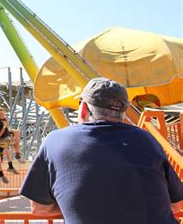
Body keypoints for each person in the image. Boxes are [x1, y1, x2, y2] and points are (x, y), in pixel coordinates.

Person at [20, 77, 182, 224]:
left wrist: (78, 208)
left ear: (83, 108)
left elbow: (39, 208)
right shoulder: (146, 140)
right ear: (123, 113)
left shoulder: (55, 141)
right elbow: (176, 205)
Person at [0, 107, 21, 174]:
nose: (3, 116)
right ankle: (13, 161)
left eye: (4, 114)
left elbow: (7, 130)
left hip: (6, 136)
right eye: (1, 114)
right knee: (9, 146)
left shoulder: (2, 120)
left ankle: (17, 154)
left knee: (17, 133)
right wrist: (4, 126)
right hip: (1, 139)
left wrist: (6, 124)